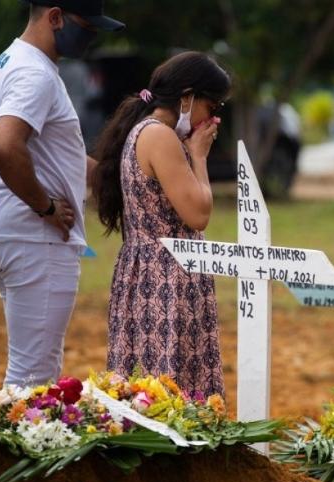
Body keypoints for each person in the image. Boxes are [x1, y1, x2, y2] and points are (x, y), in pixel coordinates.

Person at [0, 0, 123, 387]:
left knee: (32, 370)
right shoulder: (35, 75)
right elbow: (5, 146)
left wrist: (126, 179)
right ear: (55, 17)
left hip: (10, 232)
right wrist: (45, 208)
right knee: (32, 379)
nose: (92, 38)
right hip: (34, 238)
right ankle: (9, 448)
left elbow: (63, 159)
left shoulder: (14, 60)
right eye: (86, 27)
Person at [92, 52, 230, 396]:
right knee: (167, 387)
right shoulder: (160, 136)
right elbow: (198, 214)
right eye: (212, 107)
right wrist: (199, 157)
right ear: (187, 97)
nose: (212, 119)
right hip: (166, 273)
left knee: (147, 382)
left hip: (148, 270)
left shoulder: (145, 131)